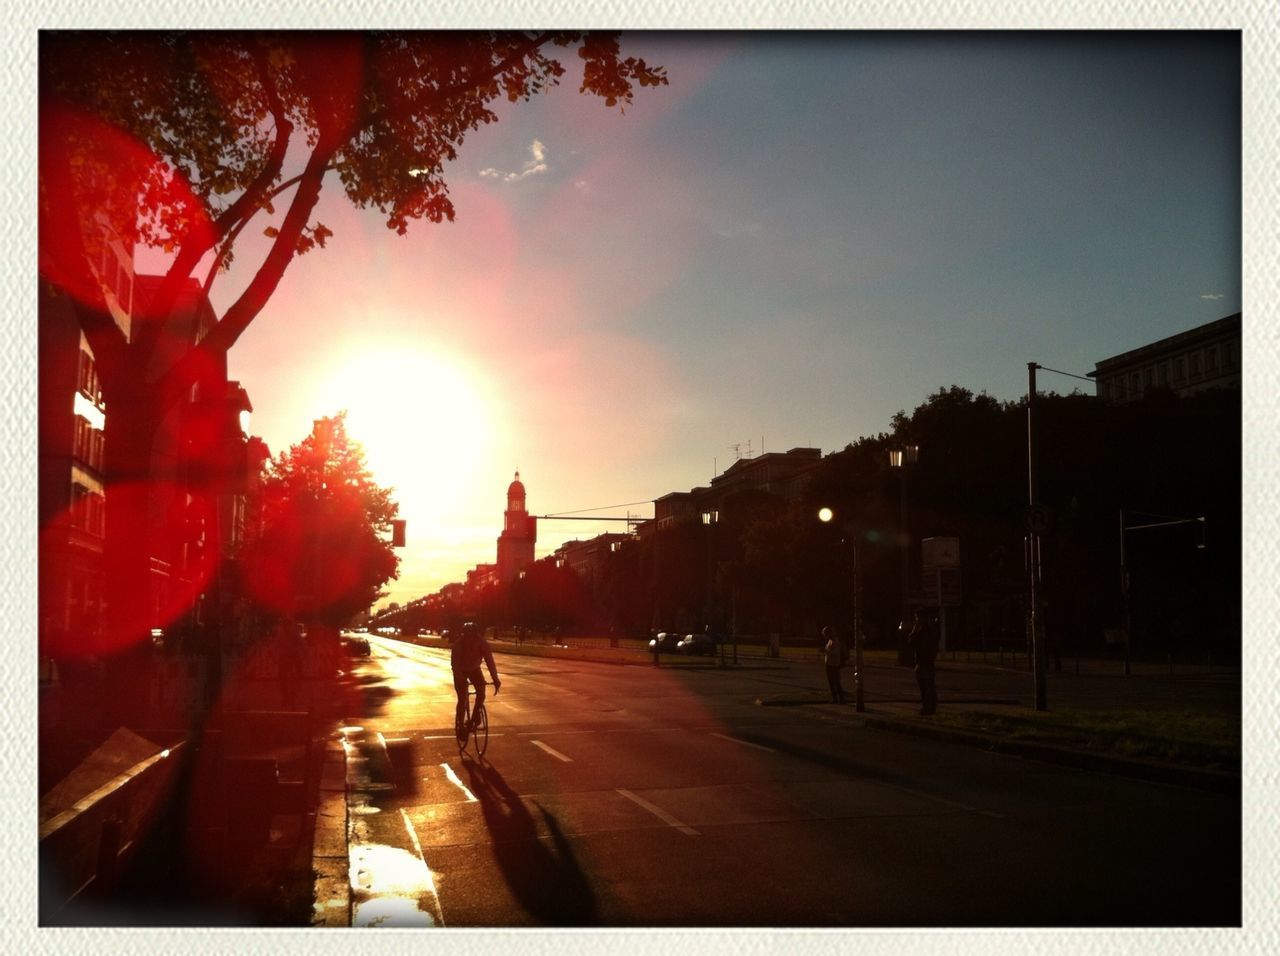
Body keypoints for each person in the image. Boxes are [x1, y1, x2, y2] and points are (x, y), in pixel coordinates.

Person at [451, 622, 501, 736]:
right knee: (462, 698)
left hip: (474, 669)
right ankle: (460, 725)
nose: (470, 640)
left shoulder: (482, 643)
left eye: (472, 637)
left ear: (476, 635)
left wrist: (495, 679)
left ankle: (474, 717)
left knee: (481, 692)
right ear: (463, 636)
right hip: (461, 670)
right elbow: (455, 665)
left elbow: (490, 661)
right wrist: (461, 679)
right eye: (467, 637)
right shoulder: (457, 645)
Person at [907, 608, 939, 715]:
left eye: (917, 618)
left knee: (925, 687)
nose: (916, 620)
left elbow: (911, 641)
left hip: (922, 662)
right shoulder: (932, 630)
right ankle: (932, 707)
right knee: (930, 685)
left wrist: (914, 630)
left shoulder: (921, 631)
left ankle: (927, 708)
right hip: (929, 661)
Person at [821, 625, 847, 704]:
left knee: (836, 682)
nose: (825, 636)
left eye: (825, 634)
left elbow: (835, 652)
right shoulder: (830, 641)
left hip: (833, 664)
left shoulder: (835, 641)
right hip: (829, 663)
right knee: (832, 682)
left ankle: (841, 698)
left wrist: (826, 651)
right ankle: (835, 698)